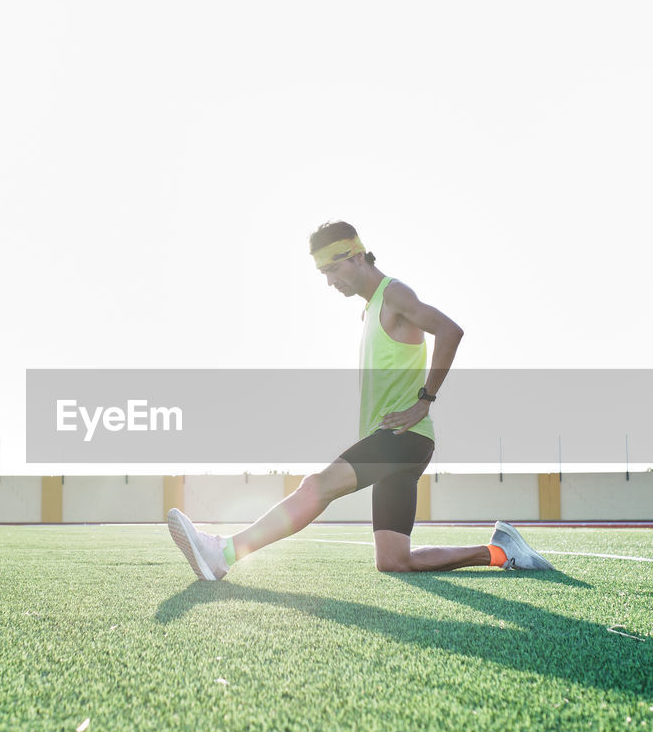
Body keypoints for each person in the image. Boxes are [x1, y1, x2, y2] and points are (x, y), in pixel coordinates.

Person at [167, 221, 555, 580]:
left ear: (355, 256)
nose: (330, 281)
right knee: (394, 561)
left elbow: (450, 331)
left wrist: (425, 400)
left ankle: (224, 554)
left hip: (404, 437)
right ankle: (500, 551)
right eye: (323, 275)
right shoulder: (370, 310)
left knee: (317, 485)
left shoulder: (394, 295)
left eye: (332, 271)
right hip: (398, 441)